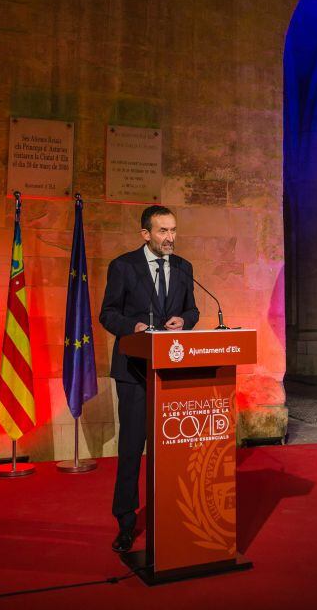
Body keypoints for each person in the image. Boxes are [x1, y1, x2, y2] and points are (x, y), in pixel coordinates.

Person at [99, 205, 199, 552]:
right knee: (131, 449)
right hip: (134, 373)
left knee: (170, 447)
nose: (170, 238)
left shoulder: (185, 267)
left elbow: (193, 309)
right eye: (162, 231)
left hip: (171, 372)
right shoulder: (124, 266)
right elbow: (108, 314)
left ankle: (171, 513)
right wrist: (135, 327)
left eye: (173, 230)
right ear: (146, 234)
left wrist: (184, 321)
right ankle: (126, 521)